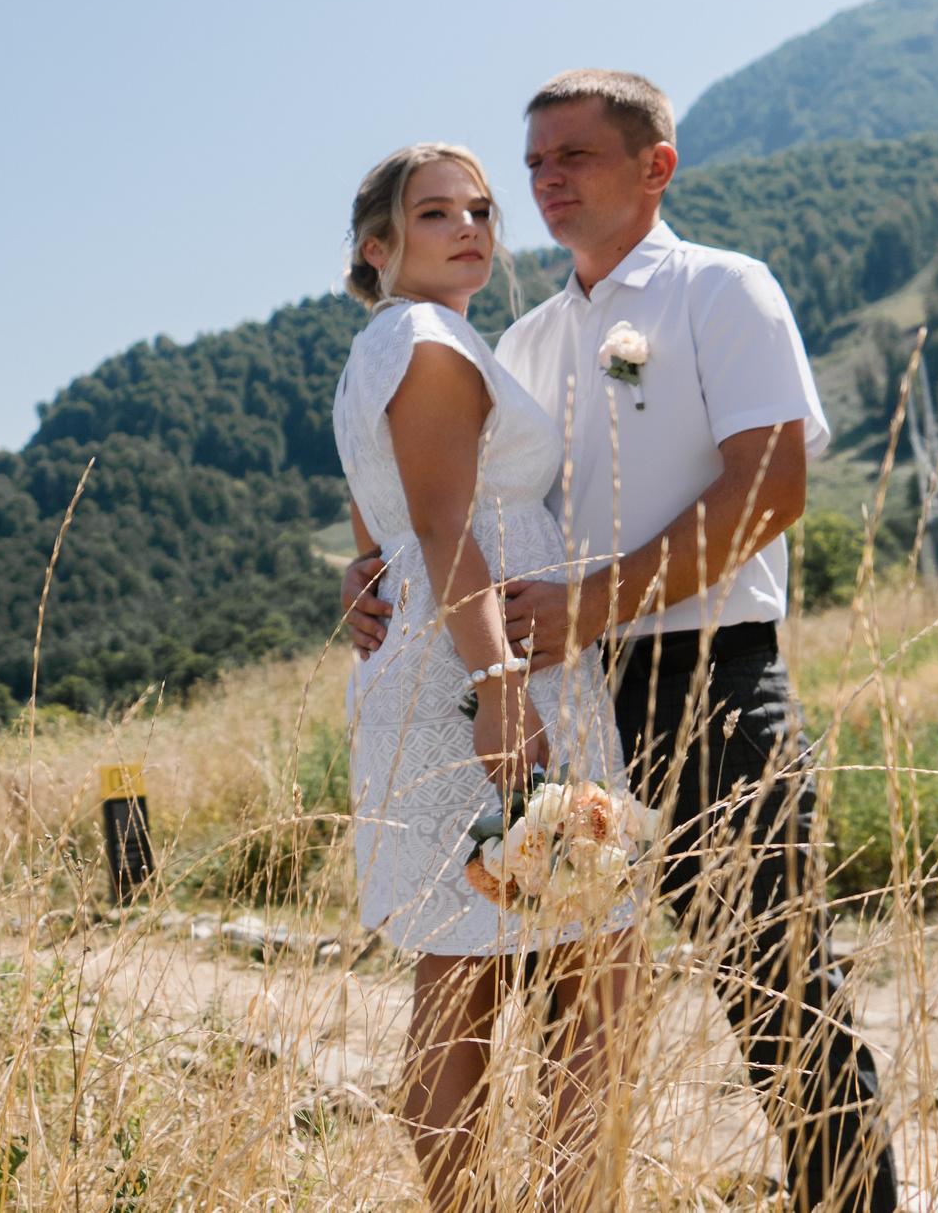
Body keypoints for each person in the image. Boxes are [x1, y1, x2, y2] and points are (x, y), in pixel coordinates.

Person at [342, 70, 901, 1213]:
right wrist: (376, 573)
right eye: (533, 162)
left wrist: (589, 604)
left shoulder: (721, 289)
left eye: (573, 157)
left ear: (657, 166)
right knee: (549, 985)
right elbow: (456, 501)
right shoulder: (527, 336)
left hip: (705, 675)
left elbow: (774, 484)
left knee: (777, 982)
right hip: (562, 703)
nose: (544, 181)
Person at [333, 141, 643, 1213]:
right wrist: (503, 685)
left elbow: (384, 536)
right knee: (586, 954)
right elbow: (442, 522)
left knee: (466, 954)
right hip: (488, 663)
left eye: (479, 208)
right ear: (376, 249)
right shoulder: (424, 340)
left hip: (440, 652)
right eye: (433, 215)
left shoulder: (398, 344)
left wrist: (369, 577)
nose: (470, 226)